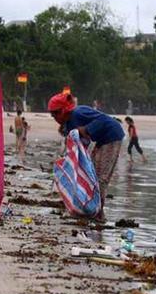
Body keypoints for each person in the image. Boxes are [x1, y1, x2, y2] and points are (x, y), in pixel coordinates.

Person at [48, 92, 124, 221]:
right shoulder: (69, 122)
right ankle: (87, 206)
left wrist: (86, 129)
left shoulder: (78, 113)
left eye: (57, 113)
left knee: (101, 177)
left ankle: (98, 212)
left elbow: (104, 120)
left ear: (64, 110)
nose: (55, 117)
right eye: (52, 114)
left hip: (112, 135)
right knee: (91, 174)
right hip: (101, 140)